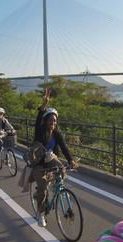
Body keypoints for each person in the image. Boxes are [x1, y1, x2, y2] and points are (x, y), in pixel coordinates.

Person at [32, 88, 78, 227]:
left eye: (55, 120)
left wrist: (71, 160)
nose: (53, 122)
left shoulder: (56, 134)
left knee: (62, 171)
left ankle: (59, 190)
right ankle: (40, 213)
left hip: (51, 162)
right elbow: (38, 119)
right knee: (43, 188)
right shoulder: (40, 131)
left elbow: (64, 148)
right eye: (51, 120)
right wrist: (43, 105)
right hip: (39, 164)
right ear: (46, 121)